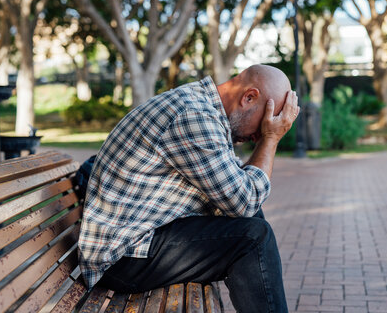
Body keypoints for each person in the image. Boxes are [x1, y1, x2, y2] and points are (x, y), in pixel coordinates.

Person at [78, 64, 299, 312]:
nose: (259, 134)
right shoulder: (193, 115)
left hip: (141, 241)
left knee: (253, 224)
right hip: (122, 256)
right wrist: (271, 140)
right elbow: (244, 201)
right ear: (249, 97)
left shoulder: (203, 109)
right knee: (253, 239)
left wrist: (267, 137)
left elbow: (240, 193)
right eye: (265, 123)